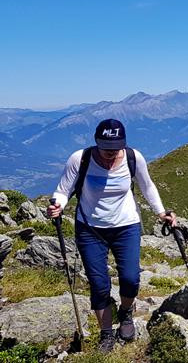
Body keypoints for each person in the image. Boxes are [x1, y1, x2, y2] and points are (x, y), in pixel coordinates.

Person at [47, 118, 177, 353]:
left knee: (130, 278)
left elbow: (147, 186)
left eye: (115, 148)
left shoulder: (132, 158)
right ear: (96, 143)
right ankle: (106, 333)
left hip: (126, 226)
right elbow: (63, 190)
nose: (110, 153)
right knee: (98, 285)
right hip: (89, 227)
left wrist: (161, 212)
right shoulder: (81, 158)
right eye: (106, 148)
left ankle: (125, 312)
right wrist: (58, 205)